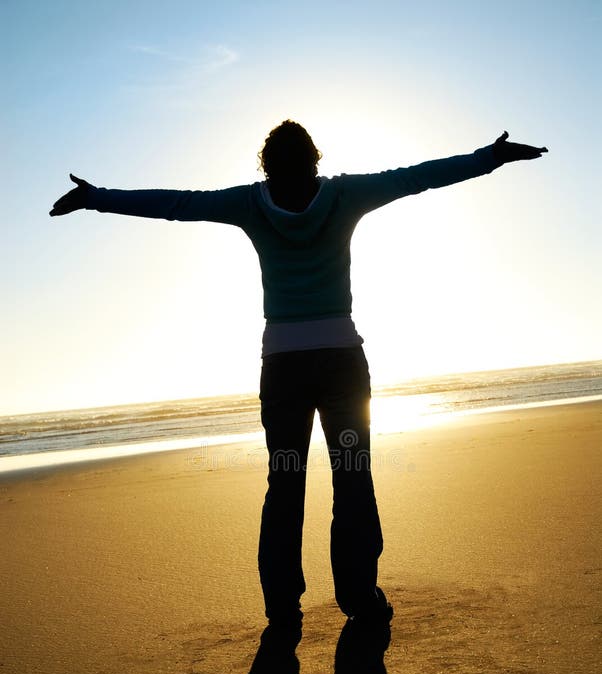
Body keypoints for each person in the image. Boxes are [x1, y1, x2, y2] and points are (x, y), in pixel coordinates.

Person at [50, 122, 547, 633]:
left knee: (284, 484)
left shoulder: (250, 202)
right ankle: (358, 595)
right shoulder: (344, 194)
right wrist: (489, 157)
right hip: (340, 361)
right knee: (352, 476)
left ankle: (283, 608)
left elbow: (179, 203)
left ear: (266, 164)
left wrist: (97, 198)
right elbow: (416, 177)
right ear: (314, 158)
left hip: (283, 363)